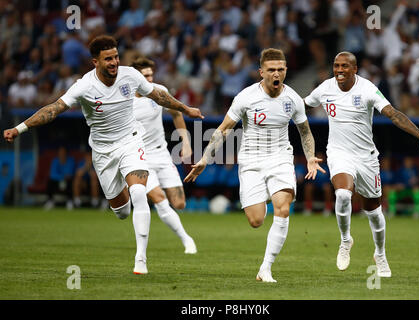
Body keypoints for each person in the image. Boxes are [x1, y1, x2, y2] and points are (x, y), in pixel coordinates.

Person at [3, 35, 203, 275]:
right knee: (122, 211)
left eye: (116, 57)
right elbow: (53, 110)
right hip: (103, 153)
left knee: (140, 192)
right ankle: (124, 205)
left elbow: (159, 96)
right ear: (95, 62)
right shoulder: (84, 86)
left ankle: (141, 259)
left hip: (131, 142)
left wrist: (186, 108)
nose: (114, 62)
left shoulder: (131, 75)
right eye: (108, 58)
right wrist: (19, 128)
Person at [184, 48, 324, 283]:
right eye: (271, 70)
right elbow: (224, 129)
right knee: (256, 220)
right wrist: (205, 159)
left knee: (282, 208)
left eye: (280, 69)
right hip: (251, 161)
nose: (276, 74)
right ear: (261, 72)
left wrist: (310, 156)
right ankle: (270, 193)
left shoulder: (293, 99)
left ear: (286, 70)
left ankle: (265, 268)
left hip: (280, 158)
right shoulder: (246, 97)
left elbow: (305, 132)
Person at [304, 51, 419, 278]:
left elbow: (394, 115)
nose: (339, 70)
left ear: (355, 69)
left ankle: (380, 254)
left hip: (367, 158)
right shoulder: (325, 88)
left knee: (374, 213)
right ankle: (345, 240)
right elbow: (303, 105)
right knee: (342, 195)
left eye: (344, 66)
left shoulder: (367, 89)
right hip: (339, 154)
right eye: (336, 65)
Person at [130, 57, 197, 254]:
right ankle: (187, 240)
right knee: (159, 197)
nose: (150, 79)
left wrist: (186, 141)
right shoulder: (125, 100)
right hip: (139, 158)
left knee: (179, 203)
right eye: (146, 76)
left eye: (151, 74)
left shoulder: (159, 92)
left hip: (161, 154)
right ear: (135, 78)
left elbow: (176, 113)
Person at [44, 146, 75, 210]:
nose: (62, 154)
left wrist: (64, 176)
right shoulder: (55, 161)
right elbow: (52, 174)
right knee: (50, 181)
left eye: (63, 153)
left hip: (67, 181)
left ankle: (70, 201)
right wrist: (62, 177)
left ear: (66, 153)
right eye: (60, 153)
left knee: (71, 181)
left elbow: (70, 173)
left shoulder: (70, 160)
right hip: (58, 181)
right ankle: (50, 201)